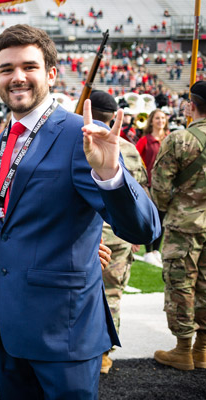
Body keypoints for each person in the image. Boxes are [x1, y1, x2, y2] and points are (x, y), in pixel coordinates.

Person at [0, 24, 160, 399]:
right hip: (8, 329)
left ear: (50, 73)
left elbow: (144, 229)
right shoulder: (4, 138)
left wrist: (110, 174)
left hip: (63, 332)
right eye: (6, 69)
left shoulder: (81, 134)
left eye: (28, 67)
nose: (17, 77)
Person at [89, 90, 149, 374]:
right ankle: (104, 354)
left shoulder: (80, 143)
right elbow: (141, 192)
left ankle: (90, 350)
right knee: (113, 294)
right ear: (114, 117)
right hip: (121, 233)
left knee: (84, 293)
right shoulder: (131, 149)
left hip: (88, 235)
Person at [152, 80, 206, 371]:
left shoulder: (179, 139)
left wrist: (169, 205)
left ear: (192, 106)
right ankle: (203, 349)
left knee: (181, 286)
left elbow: (159, 189)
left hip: (184, 226)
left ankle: (183, 350)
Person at [136, 108, 169, 267]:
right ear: (152, 121)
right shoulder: (144, 140)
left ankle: (156, 250)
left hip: (164, 186)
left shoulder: (169, 139)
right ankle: (148, 250)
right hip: (147, 186)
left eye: (163, 118)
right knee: (150, 218)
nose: (160, 121)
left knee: (162, 219)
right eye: (157, 118)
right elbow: (136, 160)